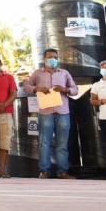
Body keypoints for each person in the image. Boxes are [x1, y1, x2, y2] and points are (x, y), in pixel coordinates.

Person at [23, 48, 77, 179]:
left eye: (55, 57)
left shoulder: (64, 73)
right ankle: (44, 171)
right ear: (44, 59)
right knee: (44, 142)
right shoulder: (37, 73)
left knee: (62, 144)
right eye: (50, 57)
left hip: (63, 112)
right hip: (45, 112)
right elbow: (26, 87)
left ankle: (62, 172)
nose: (53, 59)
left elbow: (75, 89)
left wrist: (65, 89)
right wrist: (37, 88)